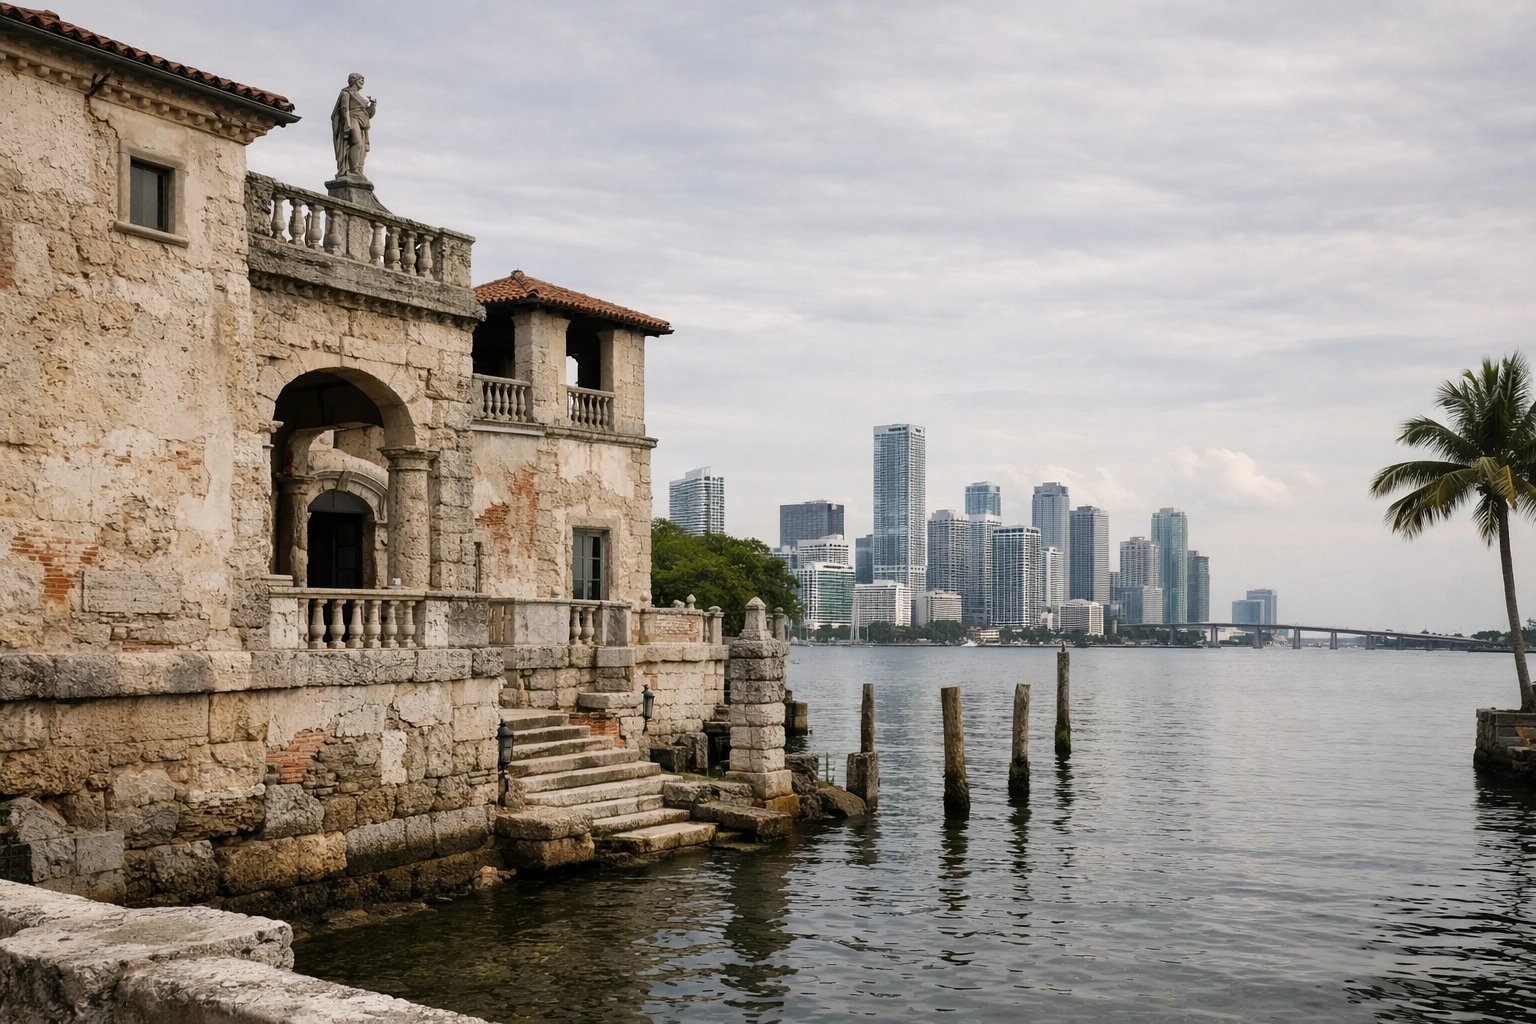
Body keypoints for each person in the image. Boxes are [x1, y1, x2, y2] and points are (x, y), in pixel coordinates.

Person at [331, 73, 377, 179]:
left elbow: (368, 114)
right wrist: (347, 123)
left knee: (361, 148)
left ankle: (357, 169)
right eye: (360, 80)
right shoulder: (346, 93)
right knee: (357, 143)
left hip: (362, 123)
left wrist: (373, 106)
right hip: (352, 119)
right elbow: (344, 109)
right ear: (354, 80)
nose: (362, 82)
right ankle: (353, 169)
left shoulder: (359, 97)